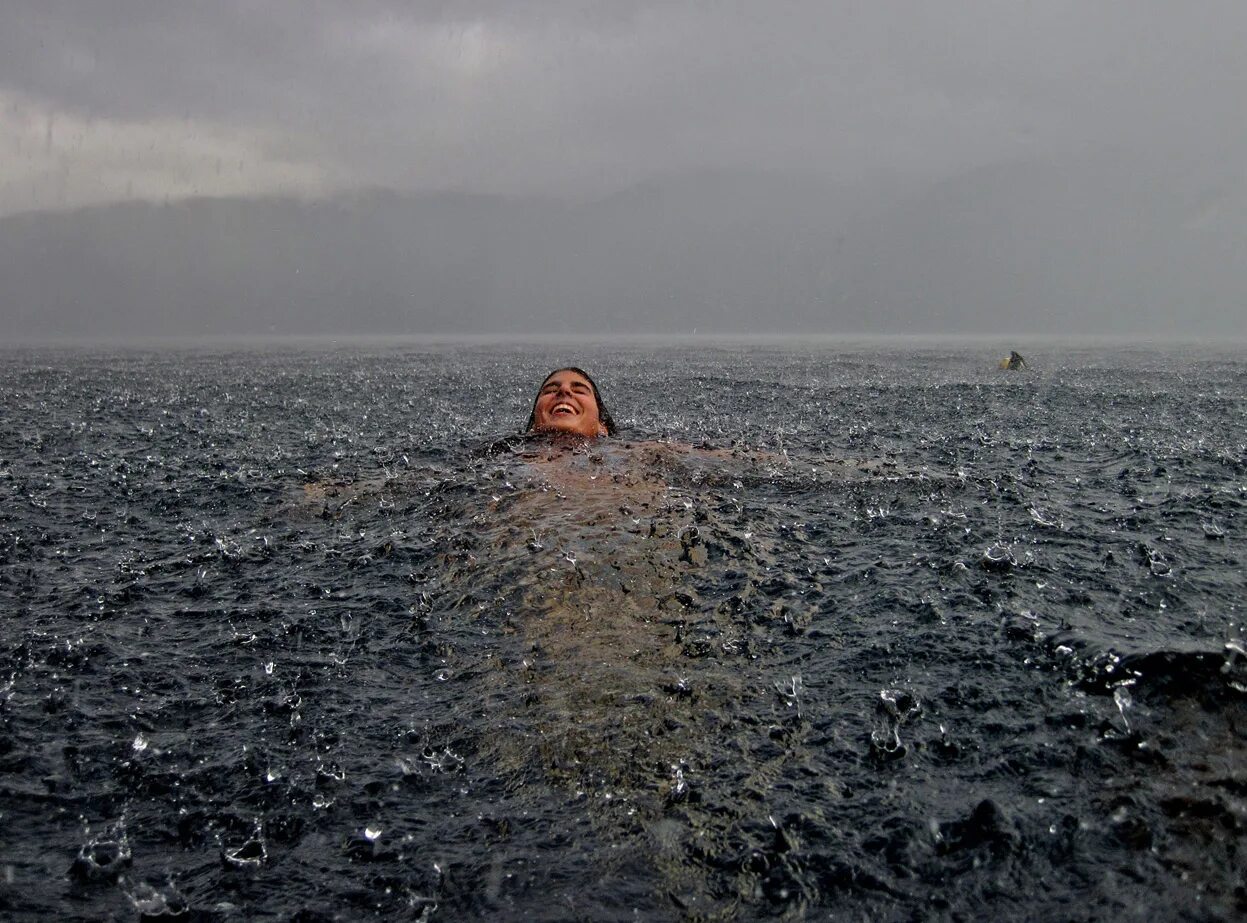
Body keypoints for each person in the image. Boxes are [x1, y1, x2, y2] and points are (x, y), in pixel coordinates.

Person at [525, 367, 617, 438]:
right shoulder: (513, 449)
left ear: (602, 427)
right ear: (533, 425)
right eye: (550, 390)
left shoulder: (628, 455)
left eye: (579, 391)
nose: (564, 389)